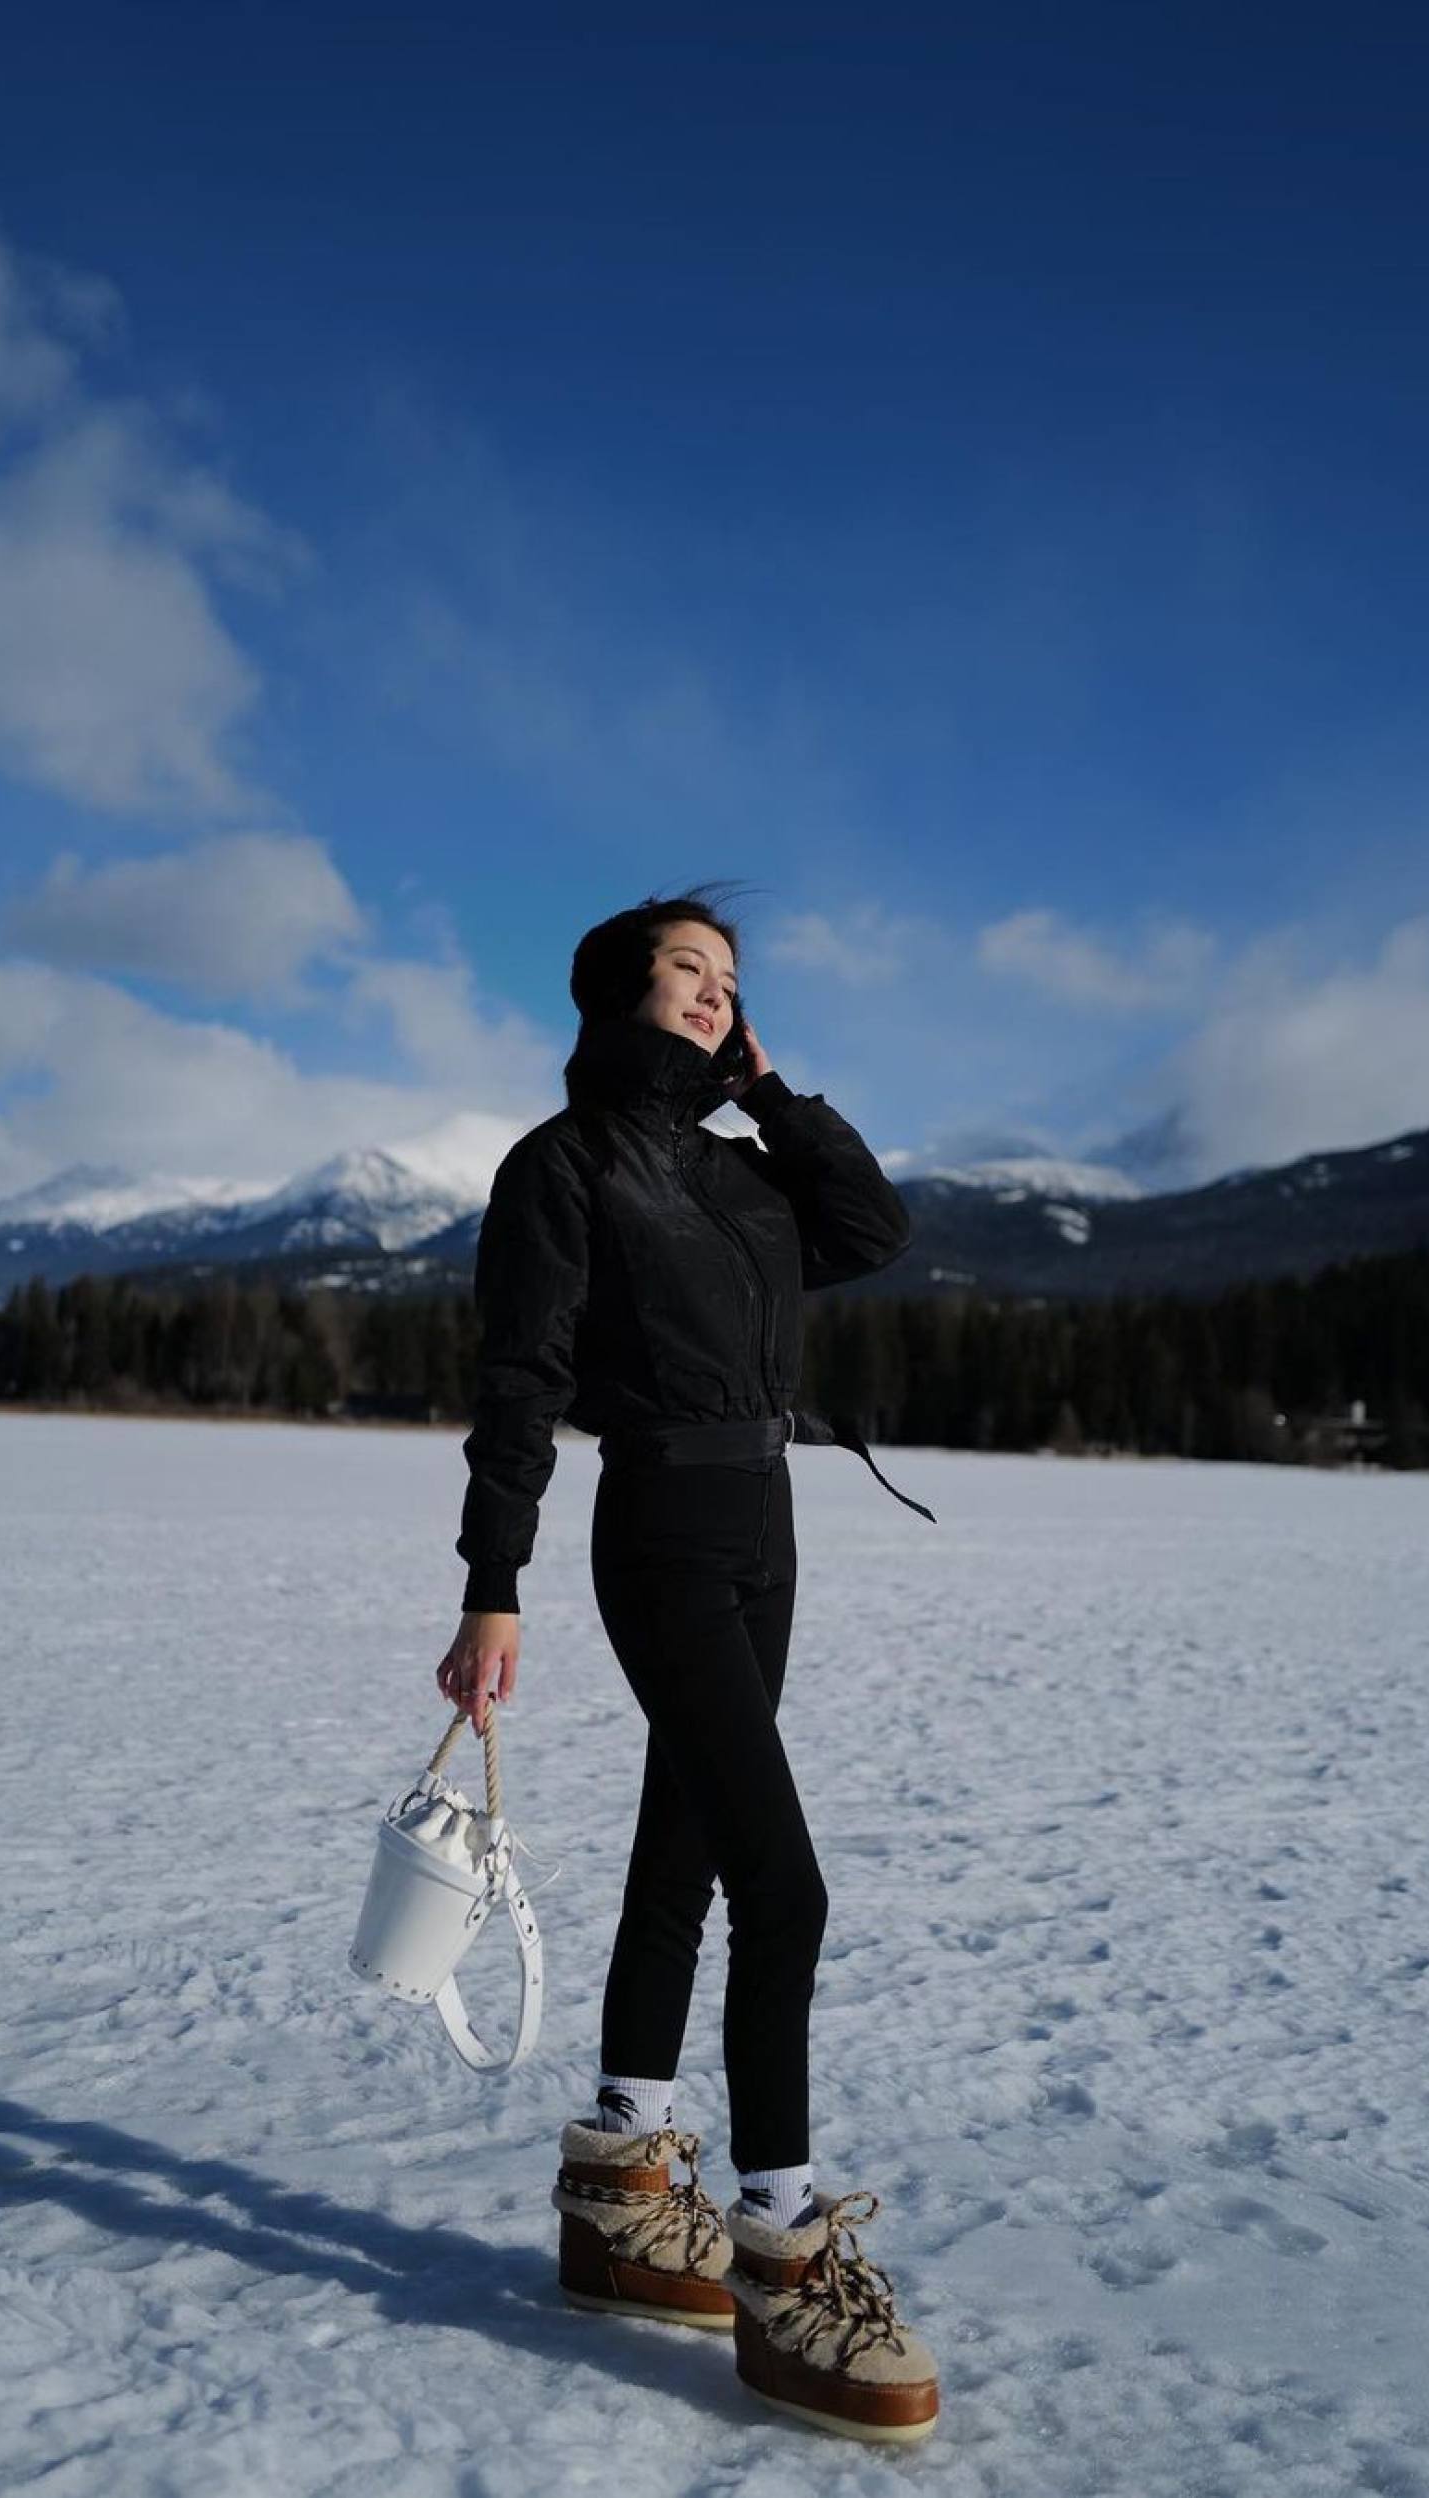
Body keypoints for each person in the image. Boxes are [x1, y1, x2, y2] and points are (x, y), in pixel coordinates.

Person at [434, 886, 941, 2444]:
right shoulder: (563, 1164)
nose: (716, 993)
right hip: (655, 1518)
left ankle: (623, 2182)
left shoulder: (740, 1169)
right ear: (613, 989)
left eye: (730, 977)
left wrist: (772, 1093)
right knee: (785, 1887)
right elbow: (520, 1376)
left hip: (767, 1520)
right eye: (687, 970)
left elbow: (870, 1229)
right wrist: (493, 1583)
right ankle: (782, 2248)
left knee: (692, 1849)